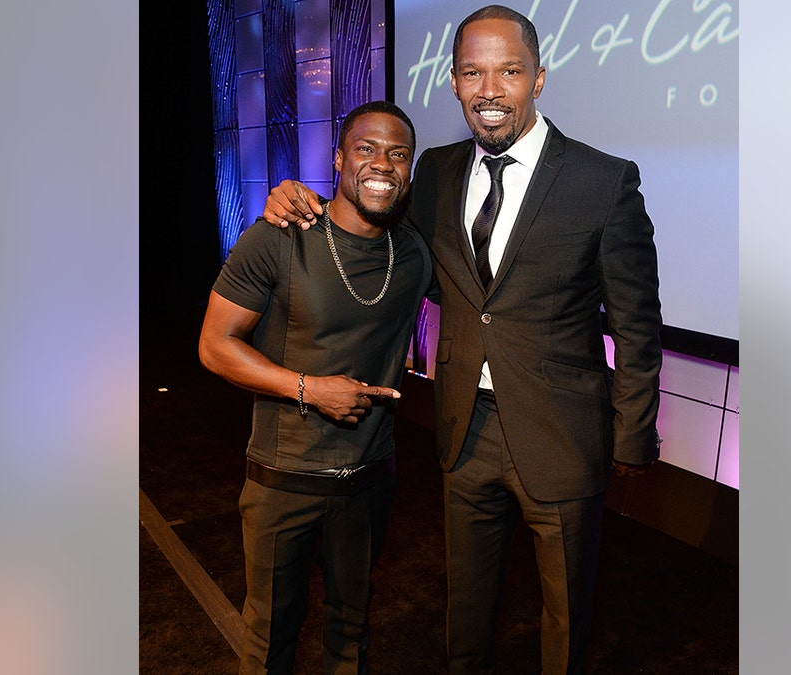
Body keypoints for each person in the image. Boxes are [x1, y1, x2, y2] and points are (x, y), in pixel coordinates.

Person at [263, 6, 662, 673]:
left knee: (566, 616)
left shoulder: (603, 180)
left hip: (563, 433)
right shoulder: (439, 173)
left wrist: (630, 435)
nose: (489, 88)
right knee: (465, 607)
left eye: (508, 70)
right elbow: (369, 221)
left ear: (539, 78)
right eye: (473, 72)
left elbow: (637, 323)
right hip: (463, 431)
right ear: (452, 82)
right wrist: (292, 198)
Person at [199, 100, 432, 674]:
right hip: (284, 482)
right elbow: (214, 346)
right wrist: (308, 388)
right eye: (366, 148)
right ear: (338, 159)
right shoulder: (280, 237)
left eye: (398, 154)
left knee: (351, 633)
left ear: (410, 170)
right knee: (271, 638)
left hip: (369, 482)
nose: (382, 163)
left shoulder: (416, 254)